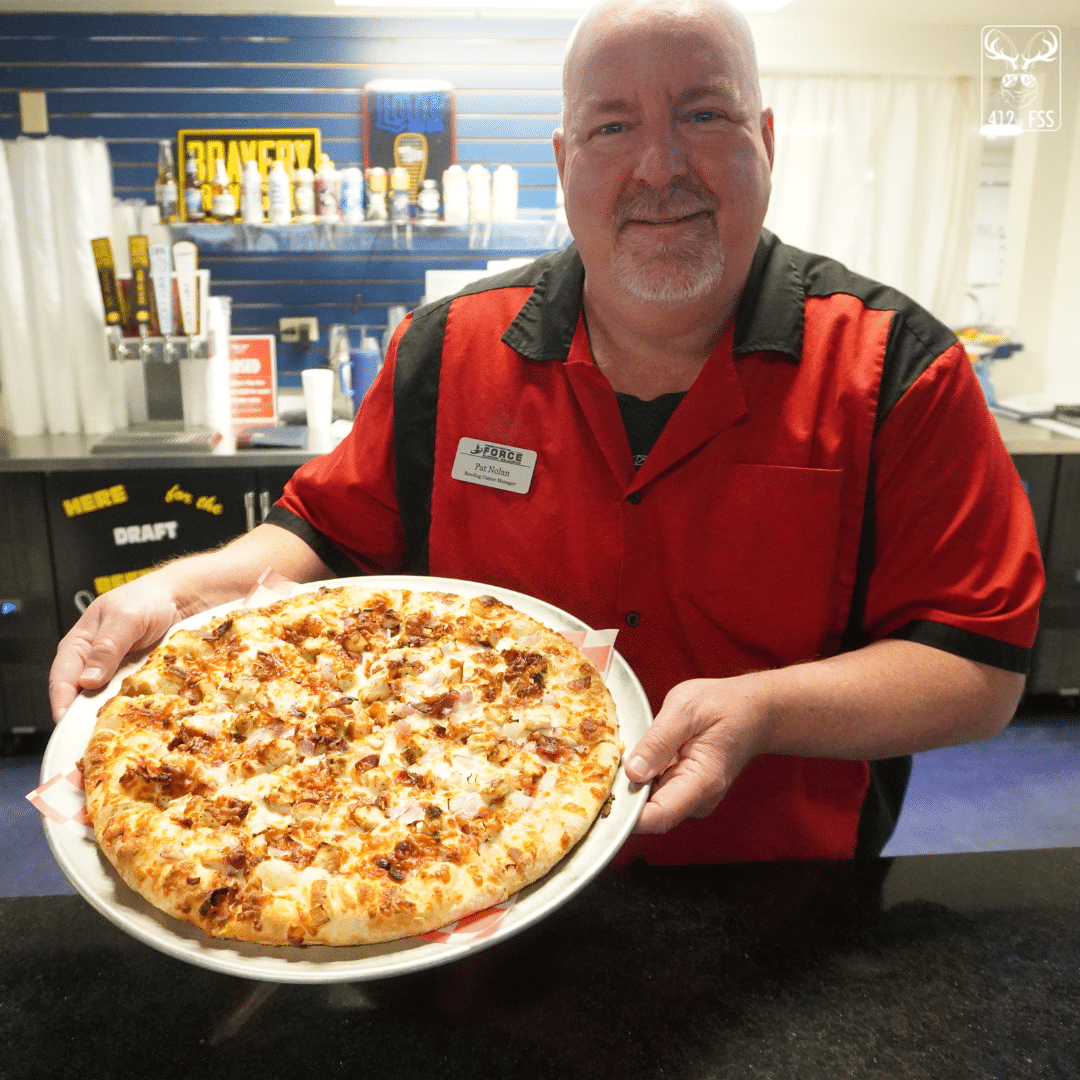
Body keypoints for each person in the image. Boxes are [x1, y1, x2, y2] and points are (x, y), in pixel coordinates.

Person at [50, 0, 1043, 864]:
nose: (659, 165)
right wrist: (172, 590)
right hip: (440, 873)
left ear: (766, 142)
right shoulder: (445, 351)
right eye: (613, 127)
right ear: (565, 161)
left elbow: (979, 669)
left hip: (780, 898)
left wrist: (768, 709)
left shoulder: (902, 372)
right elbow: (324, 536)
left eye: (704, 113)